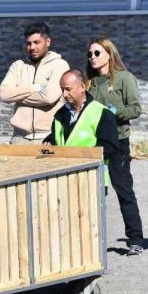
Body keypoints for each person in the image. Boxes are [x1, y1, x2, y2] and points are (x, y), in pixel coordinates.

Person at [85, 37, 145, 255]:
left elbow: (135, 109)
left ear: (109, 54)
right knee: (95, 192)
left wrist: (112, 113)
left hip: (118, 142)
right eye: (89, 54)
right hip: (94, 144)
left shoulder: (124, 78)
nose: (92, 57)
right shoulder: (89, 83)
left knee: (124, 190)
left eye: (97, 53)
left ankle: (135, 239)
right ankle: (91, 242)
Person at [44, 69, 121, 200]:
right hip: (64, 177)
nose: (64, 94)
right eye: (62, 89)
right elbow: (56, 136)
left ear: (83, 87)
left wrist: (83, 156)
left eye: (68, 89)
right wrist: (49, 142)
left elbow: (111, 147)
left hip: (92, 178)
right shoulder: (60, 114)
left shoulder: (102, 112)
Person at [0, 22, 69, 143]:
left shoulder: (59, 65)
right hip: (19, 138)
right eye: (28, 43)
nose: (32, 47)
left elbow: (49, 97)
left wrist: (17, 95)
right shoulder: (18, 66)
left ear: (47, 42)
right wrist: (35, 88)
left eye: (36, 42)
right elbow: (4, 95)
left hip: (47, 137)